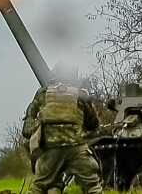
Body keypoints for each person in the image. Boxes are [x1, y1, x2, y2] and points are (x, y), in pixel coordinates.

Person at [22, 63, 103, 194]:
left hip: (50, 149)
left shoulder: (43, 93)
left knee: (39, 187)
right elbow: (92, 124)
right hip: (76, 148)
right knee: (93, 187)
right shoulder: (81, 95)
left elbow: (29, 120)